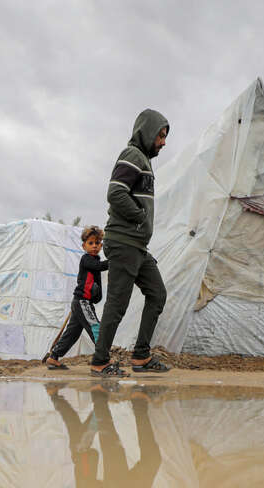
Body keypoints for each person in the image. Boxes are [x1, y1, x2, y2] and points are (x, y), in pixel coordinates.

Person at [91, 109, 172, 377]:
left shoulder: (144, 161)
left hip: (137, 246)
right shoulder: (132, 156)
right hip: (124, 242)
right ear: (147, 132)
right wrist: (139, 217)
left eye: (164, 137)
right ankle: (100, 362)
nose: (162, 142)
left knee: (157, 293)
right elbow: (115, 193)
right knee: (118, 303)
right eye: (160, 135)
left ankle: (140, 356)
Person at [43, 225, 109, 369]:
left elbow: (96, 281)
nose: (94, 246)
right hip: (82, 302)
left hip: (81, 302)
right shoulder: (87, 259)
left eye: (97, 243)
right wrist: (114, 262)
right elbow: (99, 267)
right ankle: (103, 358)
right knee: (95, 326)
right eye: (90, 243)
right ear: (84, 246)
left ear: (101, 245)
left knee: (72, 333)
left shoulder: (95, 260)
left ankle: (54, 357)